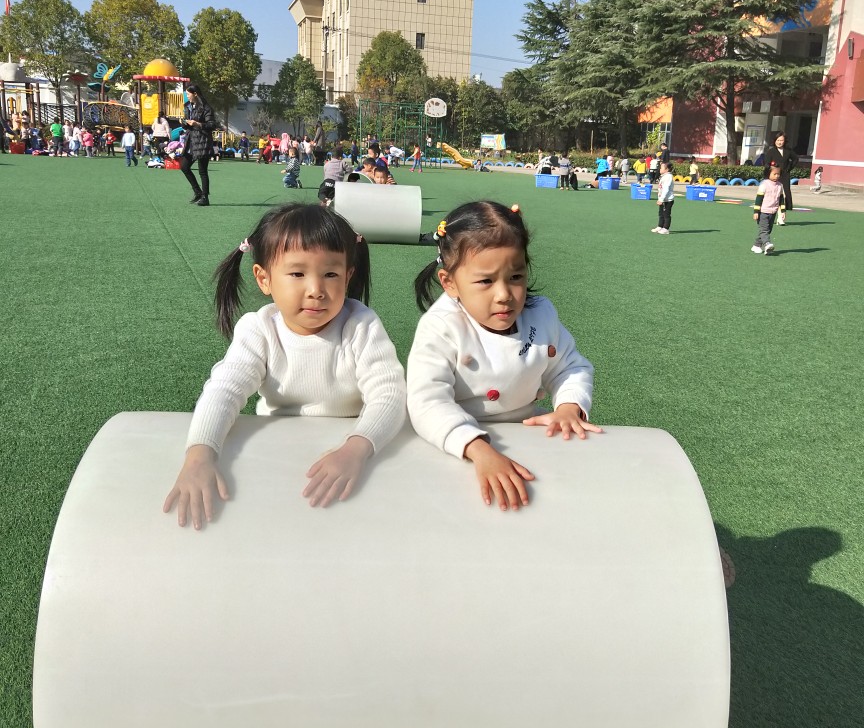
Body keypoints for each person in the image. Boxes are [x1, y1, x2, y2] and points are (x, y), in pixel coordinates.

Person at [163, 203, 407, 528]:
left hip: (347, 445)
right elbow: (224, 390)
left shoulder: (360, 325)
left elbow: (389, 394)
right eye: (297, 274)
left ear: (348, 276)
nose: (316, 290)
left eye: (331, 274)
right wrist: (199, 455)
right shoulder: (260, 329)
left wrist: (356, 449)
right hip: (276, 452)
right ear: (264, 279)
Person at [407, 201, 600, 512]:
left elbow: (569, 367)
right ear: (449, 282)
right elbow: (426, 402)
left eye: (516, 277)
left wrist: (568, 407)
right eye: (486, 281)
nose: (504, 295)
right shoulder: (441, 327)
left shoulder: (540, 315)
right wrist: (477, 449)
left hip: (528, 434)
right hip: (456, 443)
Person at [180, 83, 217, 206]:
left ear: (195, 94)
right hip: (191, 141)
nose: (187, 96)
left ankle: (205, 198)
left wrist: (198, 124)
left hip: (203, 142)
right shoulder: (187, 106)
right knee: (184, 167)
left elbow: (212, 125)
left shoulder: (206, 108)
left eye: (188, 94)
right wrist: (184, 123)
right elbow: (187, 125)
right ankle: (197, 192)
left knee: (202, 171)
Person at [762, 132, 797, 221]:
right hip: (773, 176)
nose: (779, 142)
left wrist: (789, 168)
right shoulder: (771, 151)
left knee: (785, 194)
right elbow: (766, 163)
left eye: (781, 140)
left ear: (785, 141)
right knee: (773, 195)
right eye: (778, 140)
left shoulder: (788, 151)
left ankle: (781, 216)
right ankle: (767, 214)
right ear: (775, 141)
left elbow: (795, 159)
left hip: (785, 175)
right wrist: (771, 171)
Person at [751, 163, 785, 254]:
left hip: (773, 211)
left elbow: (781, 199)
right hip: (763, 211)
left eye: (778, 174)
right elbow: (759, 199)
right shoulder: (764, 184)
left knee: (768, 230)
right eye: (774, 174)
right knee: (764, 230)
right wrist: (756, 212)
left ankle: (756, 245)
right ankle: (767, 244)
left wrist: (783, 211)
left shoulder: (780, 185)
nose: (777, 176)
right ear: (768, 173)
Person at [652, 159, 675, 234]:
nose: (660, 169)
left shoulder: (668, 176)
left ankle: (666, 228)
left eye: (661, 168)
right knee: (661, 213)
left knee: (666, 214)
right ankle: (660, 226)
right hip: (663, 199)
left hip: (667, 200)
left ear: (667, 169)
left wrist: (661, 199)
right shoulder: (664, 176)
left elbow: (666, 189)